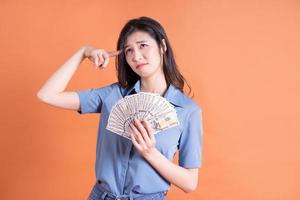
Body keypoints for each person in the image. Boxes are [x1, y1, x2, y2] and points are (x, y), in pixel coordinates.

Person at [37, 16, 203, 200]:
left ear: (162, 46)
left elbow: (190, 183)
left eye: (142, 45)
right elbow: (47, 95)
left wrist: (151, 153)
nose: (136, 56)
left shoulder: (188, 110)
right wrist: (83, 52)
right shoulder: (113, 95)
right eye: (128, 50)